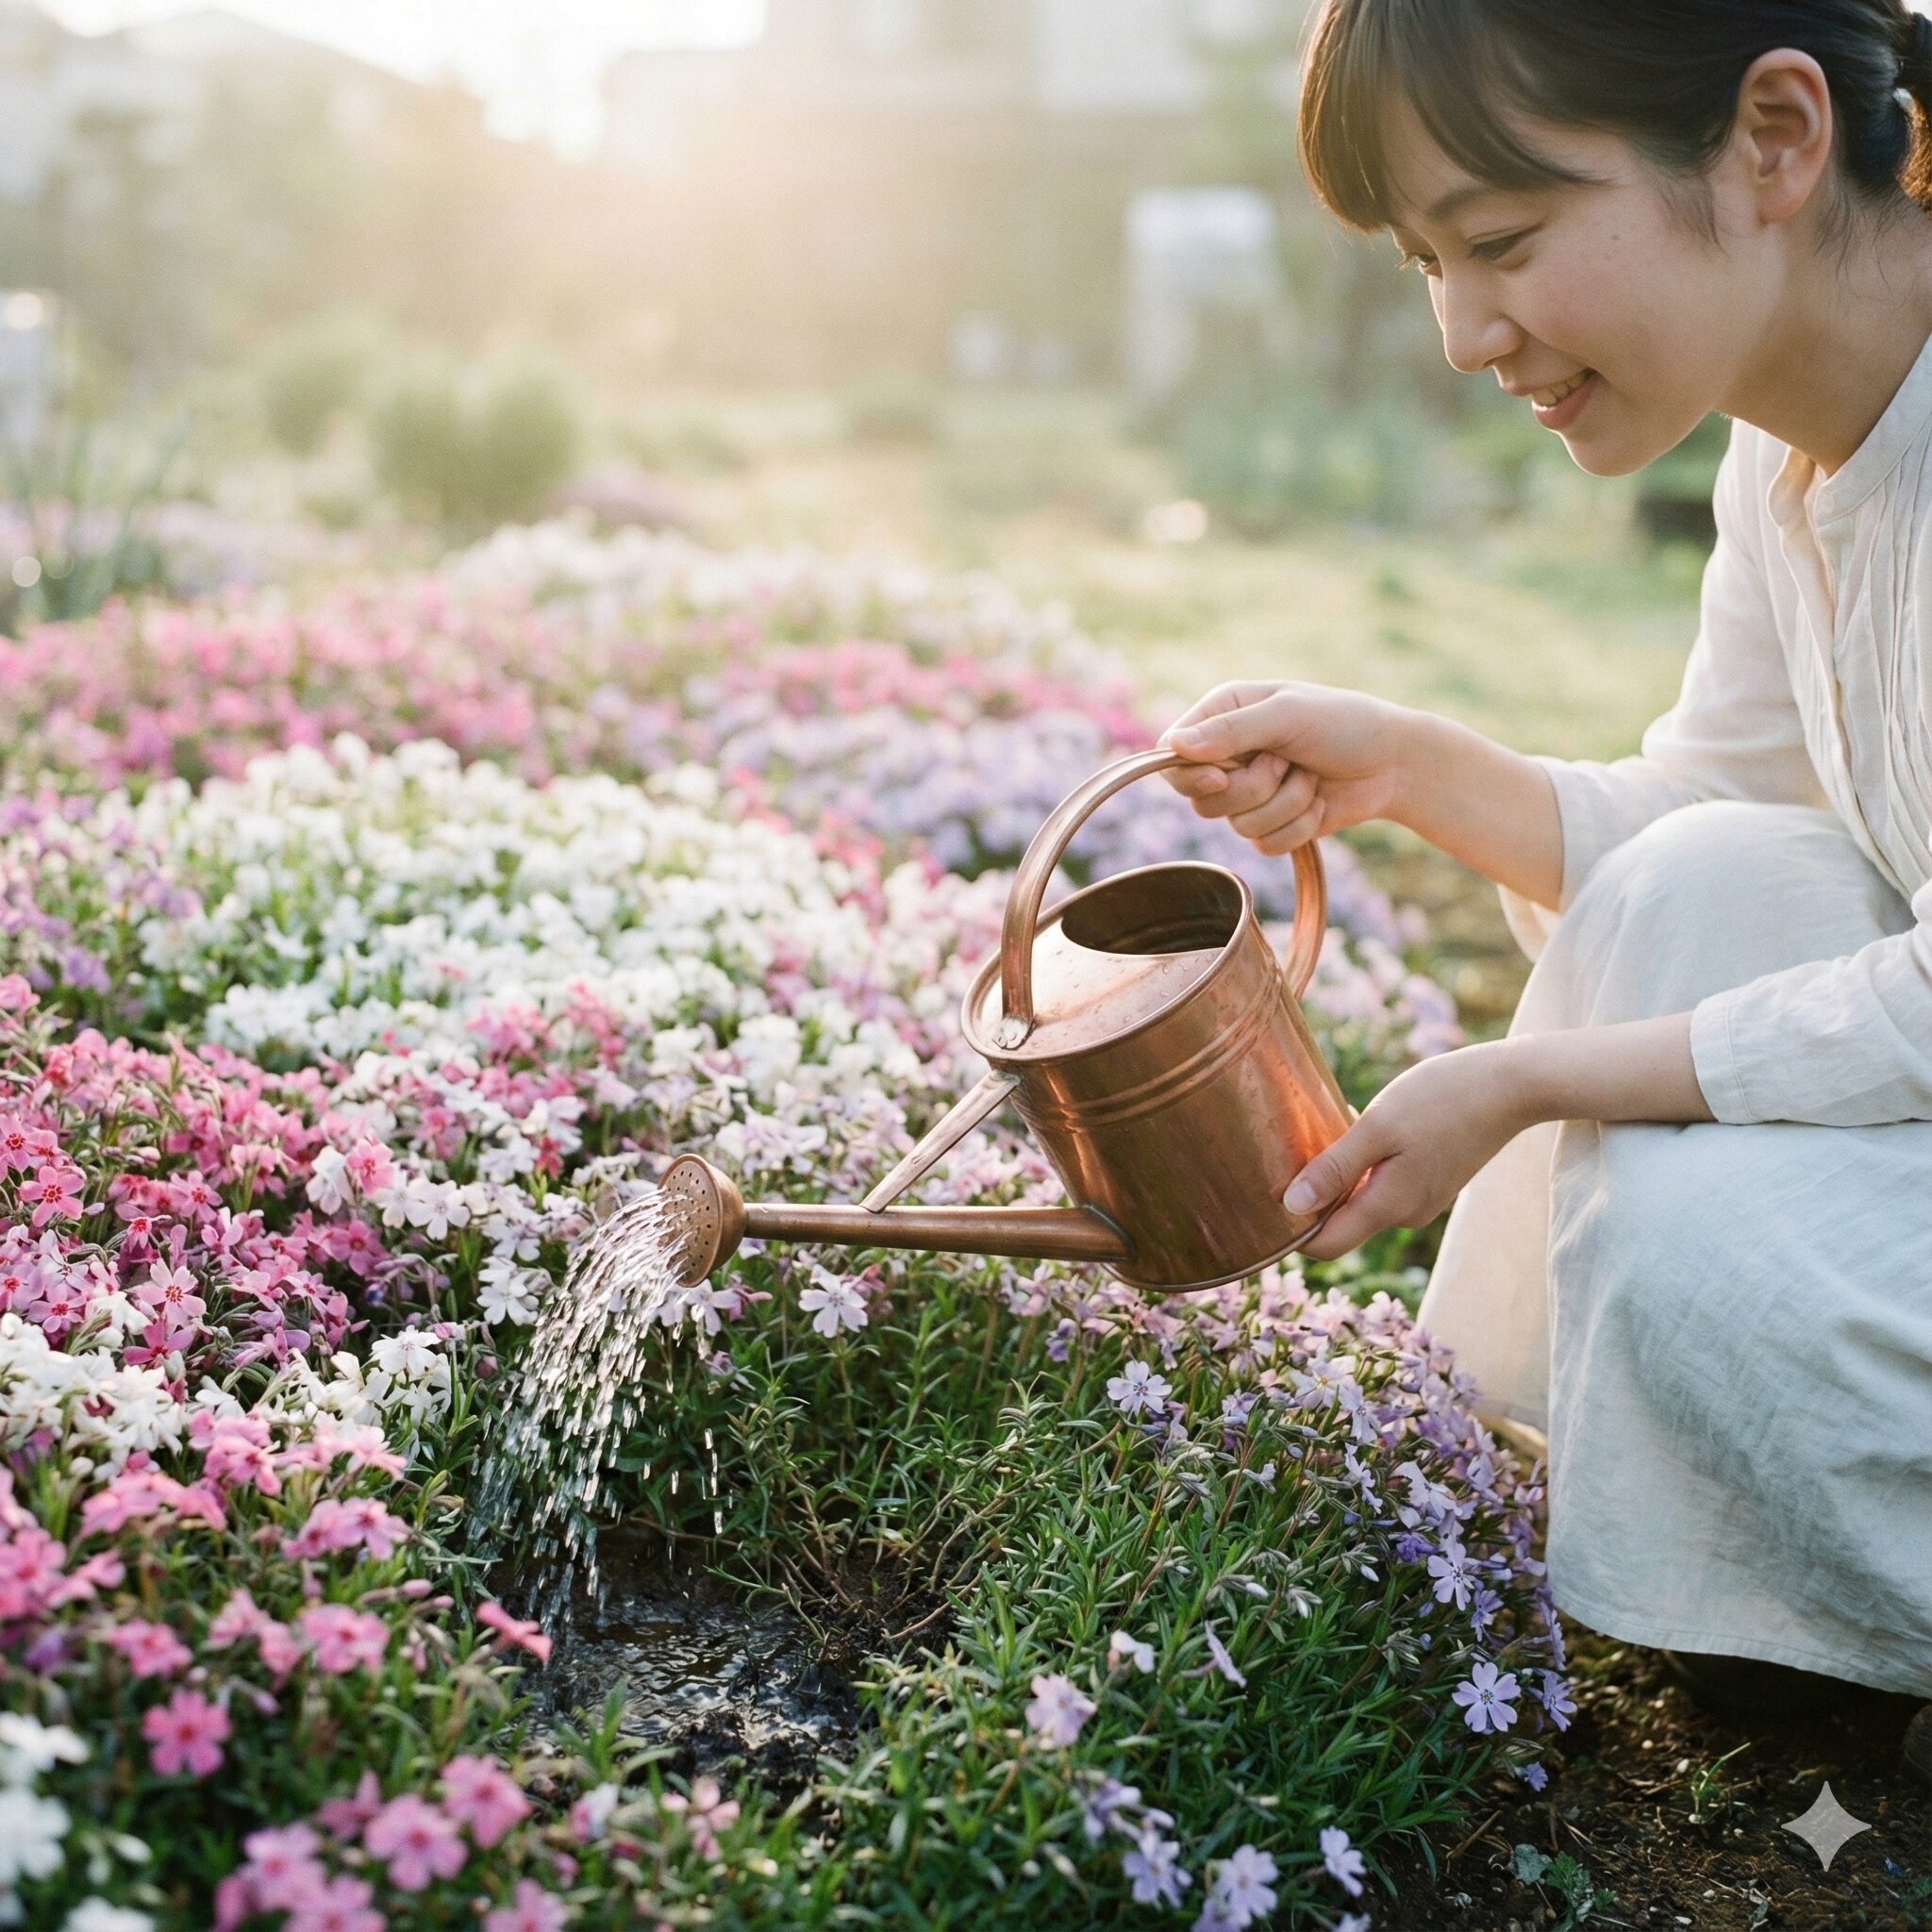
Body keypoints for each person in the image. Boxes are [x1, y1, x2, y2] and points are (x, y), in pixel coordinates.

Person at [1160, 0, 1932, 1756]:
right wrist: (1411, 768)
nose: (1458, 329)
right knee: (1702, 896)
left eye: (1502, 240)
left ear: (1775, 139)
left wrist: (1518, 1083)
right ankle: (1723, 1582)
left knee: (1689, 1264)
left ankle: (1814, 1650)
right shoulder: (1792, 444)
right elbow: (1709, 821)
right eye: (1430, 258)